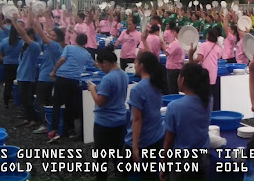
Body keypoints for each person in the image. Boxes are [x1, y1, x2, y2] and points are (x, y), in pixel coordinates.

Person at [161, 63, 212, 181]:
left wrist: (164, 166)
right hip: (202, 158)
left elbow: (168, 142)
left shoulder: (174, 107)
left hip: (182, 161)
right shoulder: (208, 100)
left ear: (182, 80)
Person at [125, 52, 167, 180]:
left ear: (142, 66)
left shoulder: (138, 90)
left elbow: (137, 120)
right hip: (157, 135)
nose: (134, 65)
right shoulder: (157, 84)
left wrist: (135, 147)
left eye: (136, 63)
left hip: (143, 139)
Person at [88, 45, 127, 181]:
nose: (100, 68)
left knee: (101, 158)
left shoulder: (108, 79)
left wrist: (93, 89)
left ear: (105, 63)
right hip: (121, 121)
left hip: (105, 123)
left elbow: (100, 101)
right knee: (118, 155)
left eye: (100, 65)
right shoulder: (123, 74)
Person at [48, 33, 94, 142]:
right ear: (85, 43)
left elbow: (62, 60)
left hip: (62, 77)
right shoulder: (86, 54)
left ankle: (54, 130)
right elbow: (93, 64)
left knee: (57, 104)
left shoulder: (68, 47)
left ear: (76, 40)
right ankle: (70, 130)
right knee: (71, 105)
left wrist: (54, 71)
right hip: (74, 81)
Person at [32, 17, 65, 135]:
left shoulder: (55, 46)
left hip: (46, 77)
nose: (50, 36)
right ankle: (48, 123)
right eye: (50, 35)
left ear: (59, 38)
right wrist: (32, 12)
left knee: (41, 101)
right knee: (46, 101)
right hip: (47, 77)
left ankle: (45, 124)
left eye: (53, 35)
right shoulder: (48, 45)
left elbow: (41, 33)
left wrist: (37, 16)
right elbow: (37, 31)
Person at [12, 16, 41, 128]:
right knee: (23, 99)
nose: (25, 37)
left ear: (32, 37)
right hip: (21, 75)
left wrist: (14, 21)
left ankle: (33, 119)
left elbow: (23, 34)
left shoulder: (35, 46)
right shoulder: (24, 46)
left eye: (28, 36)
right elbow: (22, 33)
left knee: (28, 99)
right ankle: (27, 117)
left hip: (28, 76)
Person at [189, 27, 222, 110]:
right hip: (213, 72)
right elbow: (219, 57)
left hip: (204, 72)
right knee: (211, 94)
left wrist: (191, 57)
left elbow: (199, 59)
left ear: (208, 35)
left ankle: (203, 110)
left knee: (203, 93)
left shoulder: (203, 45)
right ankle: (210, 111)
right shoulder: (218, 47)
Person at [0, 22, 23, 109]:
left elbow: (0, 54)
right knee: (19, 84)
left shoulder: (4, 41)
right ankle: (19, 102)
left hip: (7, 64)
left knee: (8, 84)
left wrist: (6, 59)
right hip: (19, 65)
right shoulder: (22, 42)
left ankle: (6, 103)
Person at [162, 26, 184, 94]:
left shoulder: (176, 43)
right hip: (179, 67)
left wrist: (162, 43)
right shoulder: (182, 42)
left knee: (172, 88)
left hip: (172, 68)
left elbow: (167, 53)